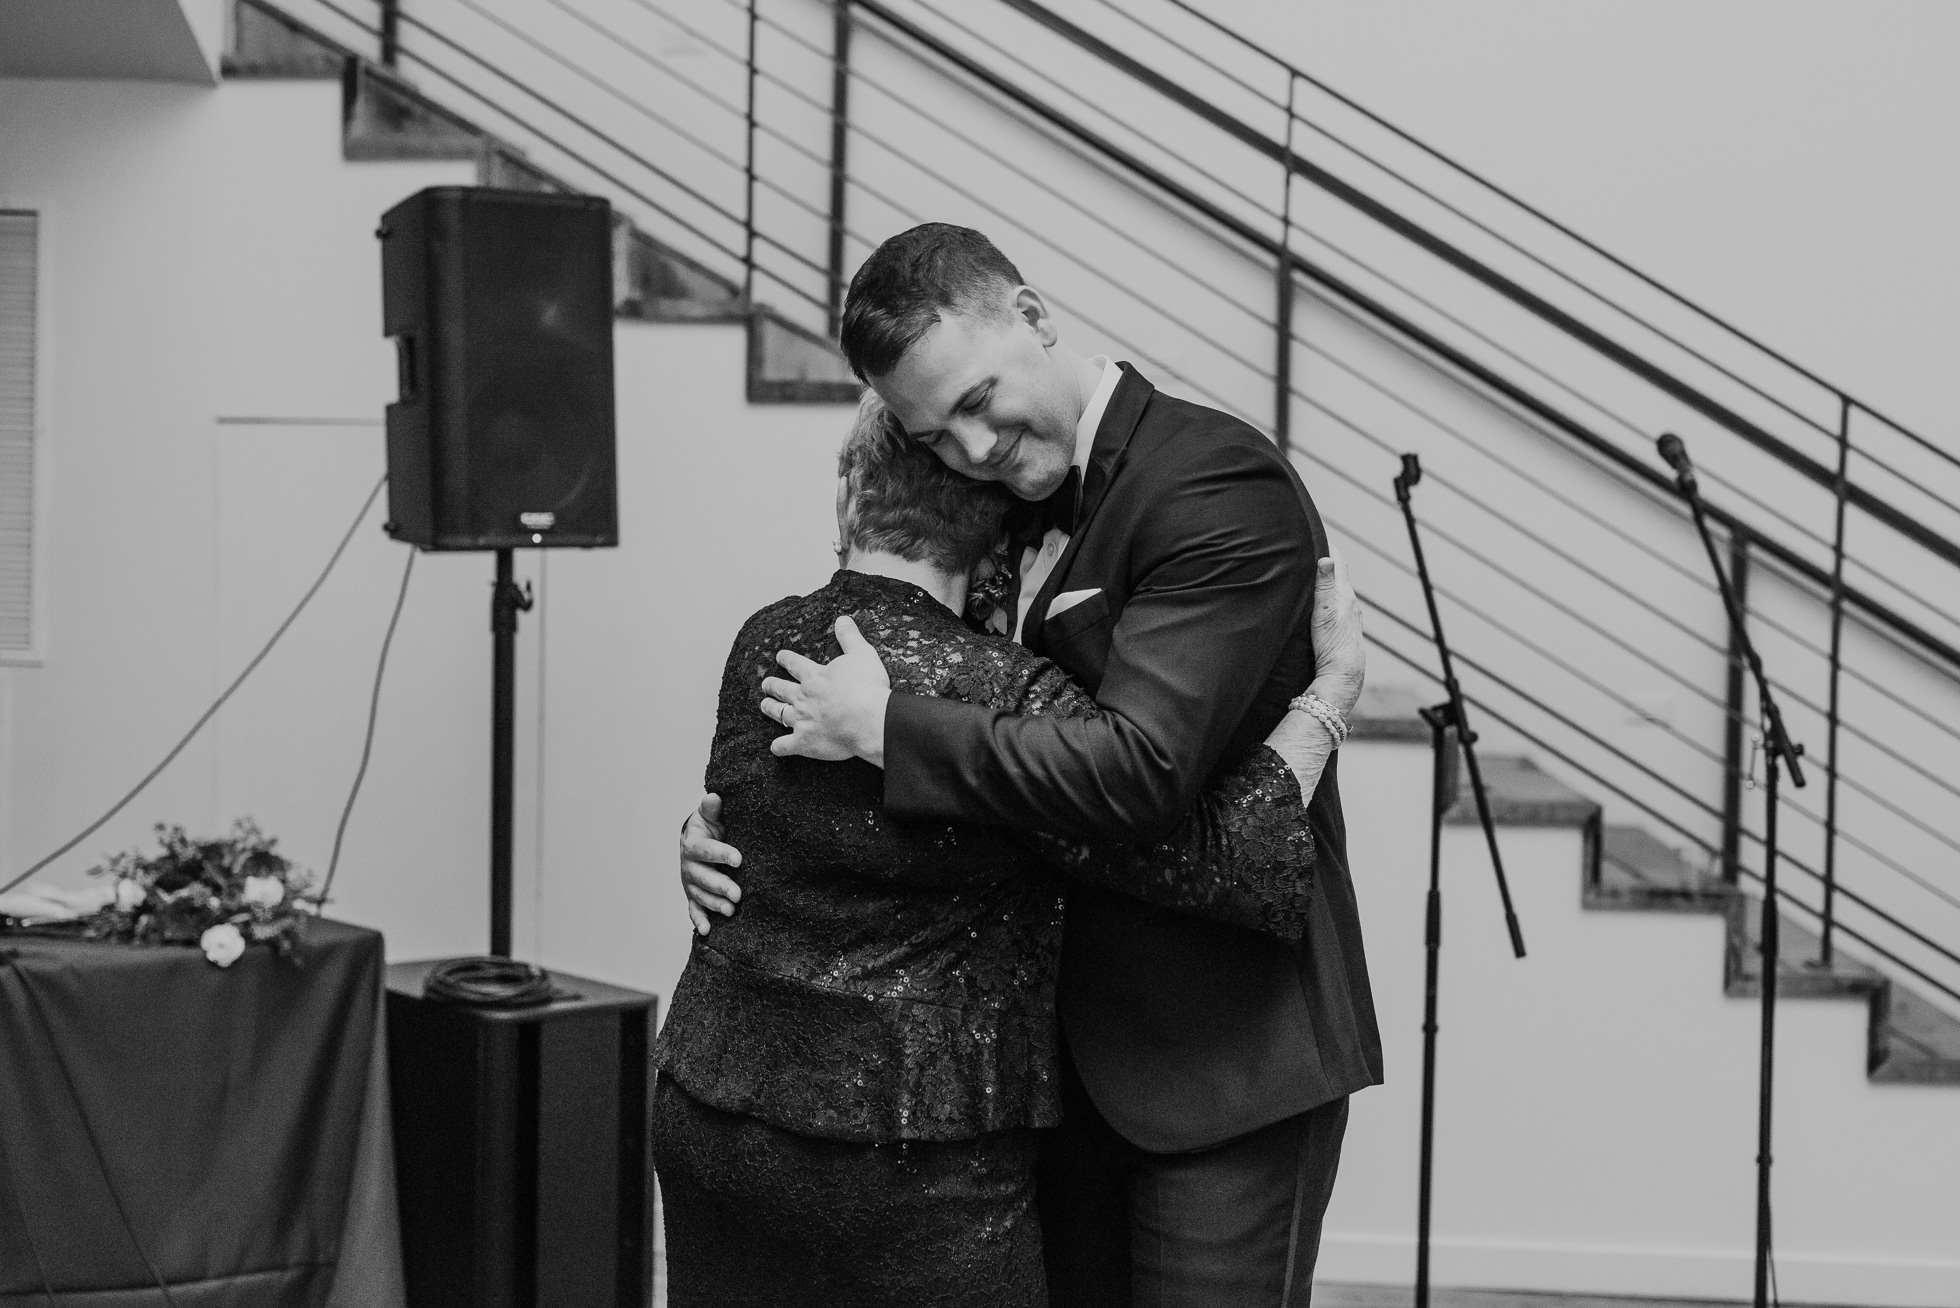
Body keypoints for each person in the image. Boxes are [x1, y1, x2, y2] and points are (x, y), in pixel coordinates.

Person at [684, 223, 1381, 1305]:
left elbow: (1139, 770)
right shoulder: (1007, 494)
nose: (966, 450)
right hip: (1044, 1074)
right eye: (933, 433)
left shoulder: (1214, 482)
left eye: (975, 401)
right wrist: (734, 836)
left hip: (1216, 1061)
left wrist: (887, 728)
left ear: (1036, 316)